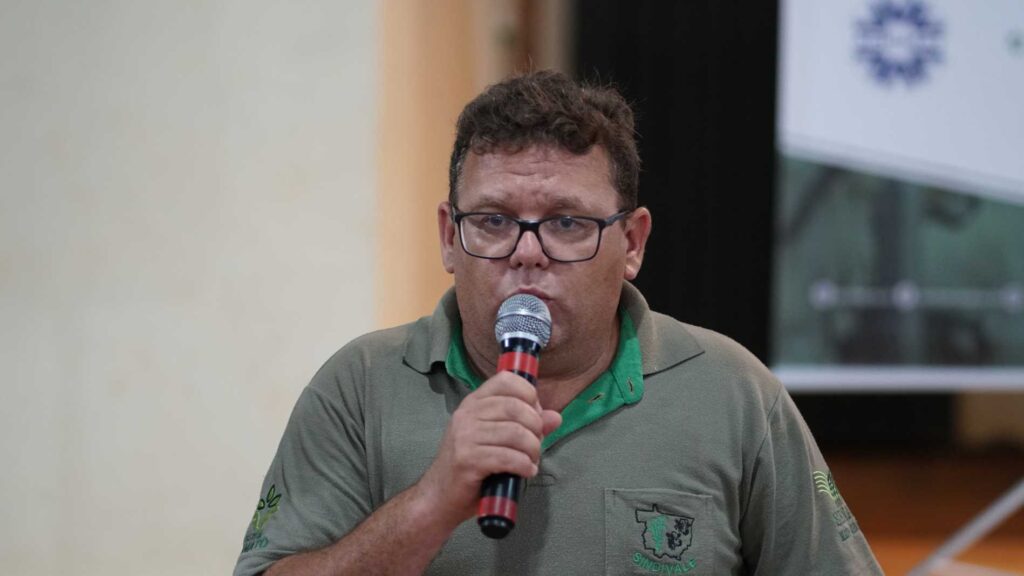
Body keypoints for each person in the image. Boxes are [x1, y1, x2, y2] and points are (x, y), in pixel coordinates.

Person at [234, 70, 883, 575]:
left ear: (633, 242)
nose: (527, 253)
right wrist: (430, 503)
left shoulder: (733, 392)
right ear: (449, 237)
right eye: (493, 220)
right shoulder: (359, 385)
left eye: (567, 223)